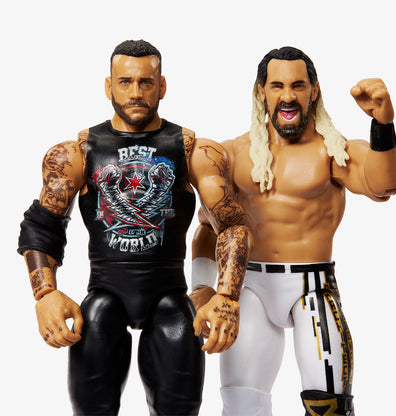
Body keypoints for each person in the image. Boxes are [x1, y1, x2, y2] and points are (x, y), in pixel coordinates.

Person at [18, 39, 251, 416]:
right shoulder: (76, 153)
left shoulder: (195, 151)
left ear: (162, 86)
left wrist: (226, 296)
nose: (136, 92)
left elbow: (231, 225)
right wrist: (45, 293)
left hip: (169, 297)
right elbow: (42, 225)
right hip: (104, 295)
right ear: (108, 86)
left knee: (179, 409)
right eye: (125, 82)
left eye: (146, 82)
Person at [190, 46, 396, 416]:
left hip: (311, 286)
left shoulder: (333, 151)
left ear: (313, 90)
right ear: (261, 91)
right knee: (241, 403)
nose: (287, 96)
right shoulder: (234, 154)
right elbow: (208, 230)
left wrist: (382, 125)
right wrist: (202, 288)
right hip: (250, 285)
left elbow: (384, 185)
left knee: (329, 405)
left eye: (297, 85)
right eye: (277, 86)